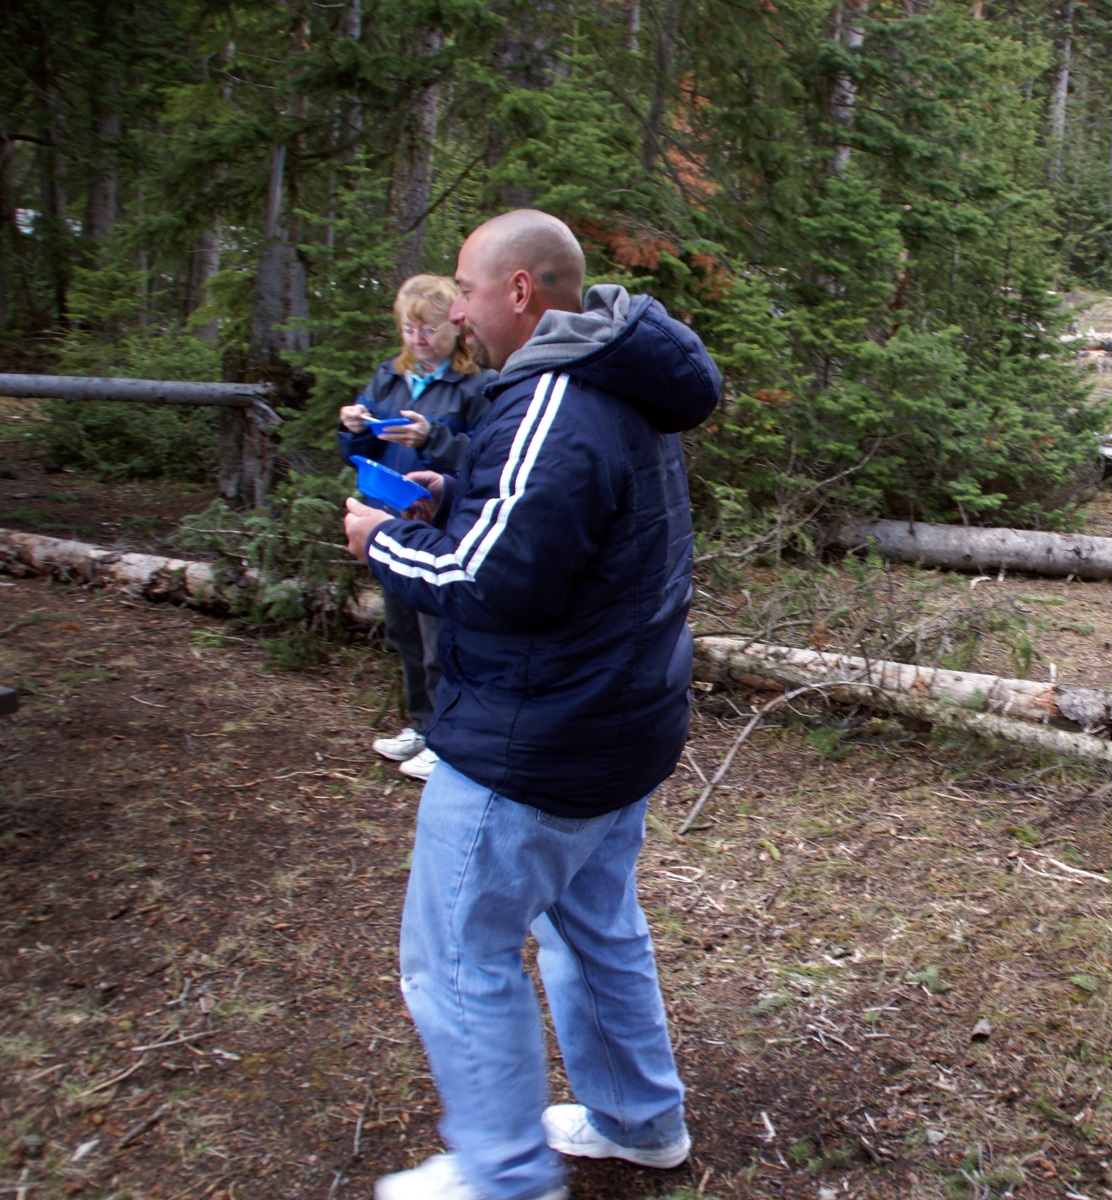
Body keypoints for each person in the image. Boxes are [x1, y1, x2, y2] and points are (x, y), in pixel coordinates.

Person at [342, 209, 721, 1200]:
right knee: (594, 930)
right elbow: (555, 531)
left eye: (467, 291)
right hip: (616, 724)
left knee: (454, 957)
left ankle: (503, 1177)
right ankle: (638, 1121)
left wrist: (382, 541)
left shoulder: (554, 399)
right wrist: (453, 492)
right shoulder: (607, 378)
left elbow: (493, 579)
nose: (458, 313)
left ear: (517, 291)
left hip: (536, 741)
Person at [339, 274, 496, 782]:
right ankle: (422, 727)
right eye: (409, 329)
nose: (418, 339)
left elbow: (486, 458)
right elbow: (355, 450)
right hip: (388, 518)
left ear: (454, 327)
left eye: (428, 328)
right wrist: (353, 428)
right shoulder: (389, 376)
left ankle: (447, 740)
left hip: (440, 524)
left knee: (437, 636)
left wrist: (433, 438)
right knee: (403, 629)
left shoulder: (477, 384)